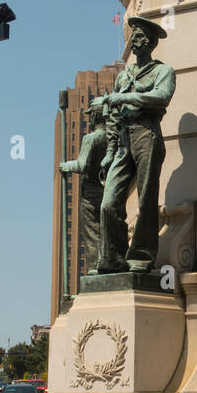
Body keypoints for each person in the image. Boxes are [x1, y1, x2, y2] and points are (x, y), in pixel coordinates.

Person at [96, 16, 176, 274]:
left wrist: (121, 97)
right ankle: (114, 257)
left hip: (147, 133)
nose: (135, 40)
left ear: (152, 42)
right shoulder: (123, 77)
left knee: (147, 198)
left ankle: (142, 254)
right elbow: (112, 117)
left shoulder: (163, 71)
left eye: (141, 36)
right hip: (123, 138)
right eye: (134, 36)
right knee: (109, 203)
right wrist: (110, 152)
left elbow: (161, 97)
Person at [59, 96, 108, 275]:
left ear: (96, 116)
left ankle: (95, 266)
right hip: (109, 190)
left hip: (92, 189)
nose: (89, 119)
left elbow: (83, 165)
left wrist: (66, 166)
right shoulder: (114, 138)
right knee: (106, 229)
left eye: (91, 115)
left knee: (92, 229)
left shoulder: (91, 138)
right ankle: (108, 262)